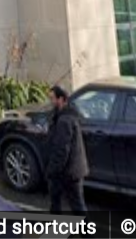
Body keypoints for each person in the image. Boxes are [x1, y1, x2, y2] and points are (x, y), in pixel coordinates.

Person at [45, 84, 88, 215]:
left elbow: (62, 150)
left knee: (75, 206)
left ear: (61, 99)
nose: (51, 102)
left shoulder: (65, 121)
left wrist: (52, 170)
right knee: (71, 205)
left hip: (67, 172)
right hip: (73, 170)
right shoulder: (67, 115)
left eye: (53, 98)